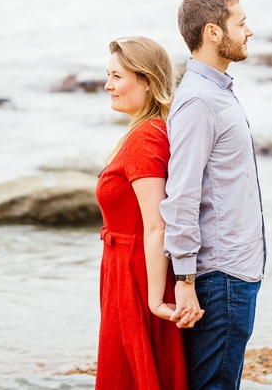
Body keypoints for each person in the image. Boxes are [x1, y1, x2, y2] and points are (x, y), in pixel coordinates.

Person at [161, 0, 266, 390]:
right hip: (219, 279)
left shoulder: (217, 92)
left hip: (235, 272)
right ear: (213, 32)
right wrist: (184, 280)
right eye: (240, 23)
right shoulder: (200, 102)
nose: (249, 31)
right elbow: (182, 193)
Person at [95, 36, 198, 390]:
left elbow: (157, 225)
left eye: (117, 76)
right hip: (124, 270)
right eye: (108, 75)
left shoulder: (146, 137)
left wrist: (155, 300)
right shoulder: (142, 130)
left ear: (147, 81)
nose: (108, 85)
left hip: (137, 277)